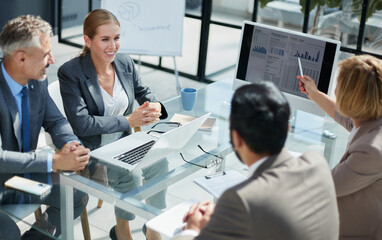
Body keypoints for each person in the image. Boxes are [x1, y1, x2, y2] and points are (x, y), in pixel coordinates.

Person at [172, 82, 339, 240]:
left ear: (236, 137)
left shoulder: (240, 199)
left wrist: (192, 228)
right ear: (286, 129)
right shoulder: (318, 163)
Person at [58, 9, 168, 240]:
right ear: (88, 41)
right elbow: (82, 124)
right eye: (105, 39)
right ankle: (122, 231)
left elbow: (144, 92)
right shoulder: (70, 73)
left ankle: (154, 226)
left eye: (116, 38)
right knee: (132, 177)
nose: (113, 46)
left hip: (125, 143)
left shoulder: (125, 62)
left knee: (161, 161)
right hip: (93, 151)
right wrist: (128, 120)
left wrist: (156, 105)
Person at [0, 15, 90, 239]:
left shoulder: (36, 79)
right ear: (21, 58)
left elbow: (55, 121)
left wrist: (70, 145)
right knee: (8, 232)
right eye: (45, 55)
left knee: (76, 195)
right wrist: (54, 161)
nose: (52, 60)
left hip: (22, 176)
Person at [298, 54, 382, 239]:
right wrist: (313, 92)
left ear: (351, 98)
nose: (335, 92)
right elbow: (344, 117)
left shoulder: (371, 151)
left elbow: (322, 186)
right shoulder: (372, 120)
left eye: (339, 86)